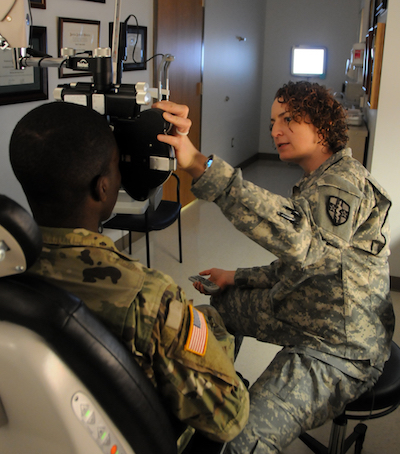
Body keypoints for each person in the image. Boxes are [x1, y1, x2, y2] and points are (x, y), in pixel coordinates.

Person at [153, 80, 395, 453]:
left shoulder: (343, 184)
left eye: (288, 119)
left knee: (243, 438)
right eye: (272, 123)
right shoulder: (317, 181)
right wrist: (235, 277)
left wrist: (202, 166)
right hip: (305, 309)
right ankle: (215, 392)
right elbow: (302, 268)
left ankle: (226, 418)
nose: (276, 131)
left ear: (322, 125)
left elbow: (305, 248)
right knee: (219, 309)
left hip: (339, 346)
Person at [8, 101, 250, 447]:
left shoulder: (9, 267)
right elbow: (229, 418)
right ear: (102, 187)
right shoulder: (147, 297)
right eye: (115, 167)